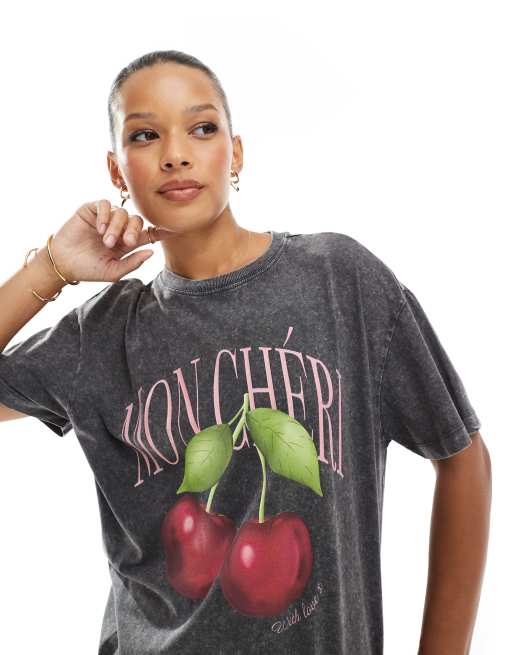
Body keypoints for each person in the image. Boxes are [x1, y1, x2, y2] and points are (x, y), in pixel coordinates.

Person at [0, 49, 491, 655]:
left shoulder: (339, 280)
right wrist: (51, 268)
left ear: (235, 154)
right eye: (145, 135)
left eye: (202, 128)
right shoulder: (101, 335)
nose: (176, 154)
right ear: (116, 171)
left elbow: (463, 457)